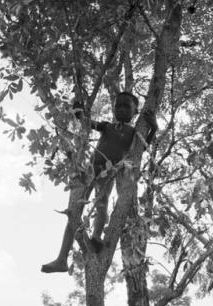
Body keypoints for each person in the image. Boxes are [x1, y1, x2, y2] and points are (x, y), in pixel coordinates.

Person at [41, 91, 157, 272]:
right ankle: (62, 259)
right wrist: (78, 110)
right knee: (74, 212)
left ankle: (96, 236)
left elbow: (142, 147)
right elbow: (87, 122)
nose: (121, 109)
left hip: (108, 173)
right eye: (118, 106)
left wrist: (154, 128)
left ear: (135, 112)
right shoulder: (107, 126)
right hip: (90, 170)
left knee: (101, 205)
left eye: (126, 106)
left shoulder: (134, 133)